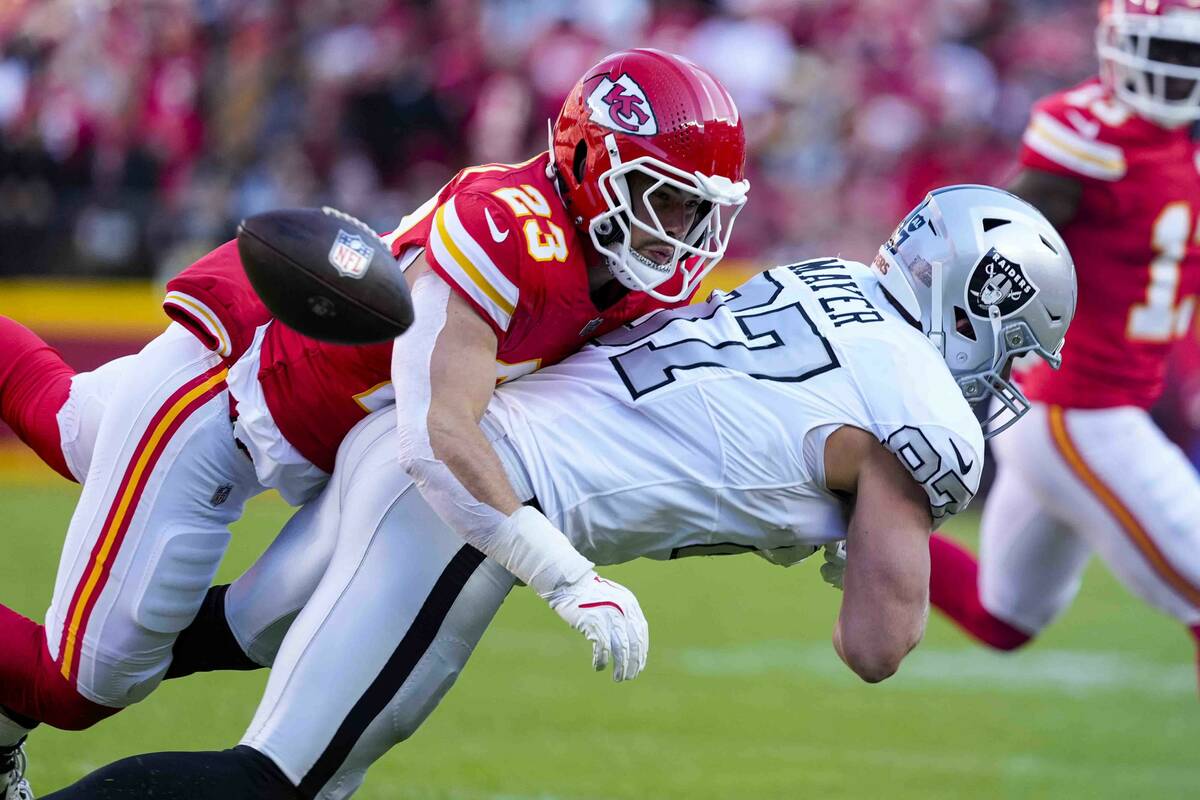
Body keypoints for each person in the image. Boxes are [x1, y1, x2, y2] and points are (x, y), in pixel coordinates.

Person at [40, 185, 1076, 799]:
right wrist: (883, 531)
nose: (1009, 375)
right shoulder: (925, 414)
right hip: (481, 502)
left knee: (226, 634)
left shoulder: (825, 276)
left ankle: (24, 691)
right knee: (278, 780)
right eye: (1018, 347)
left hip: (407, 449)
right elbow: (877, 645)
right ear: (977, 301)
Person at [0, 48, 749, 800]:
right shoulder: (507, 228)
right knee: (88, 682)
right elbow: (438, 435)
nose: (682, 230)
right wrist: (562, 574)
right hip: (219, 402)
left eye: (699, 208)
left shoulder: (618, 277)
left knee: (67, 425)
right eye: (662, 197)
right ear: (588, 160)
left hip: (293, 420)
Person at [928, 0, 1200, 684]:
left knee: (1004, 617)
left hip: (1077, 411)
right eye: (1162, 51)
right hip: (1079, 410)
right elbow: (996, 234)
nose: (1176, 69)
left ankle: (850, 517)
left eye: (1188, 52)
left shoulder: (1177, 141)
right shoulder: (1089, 135)